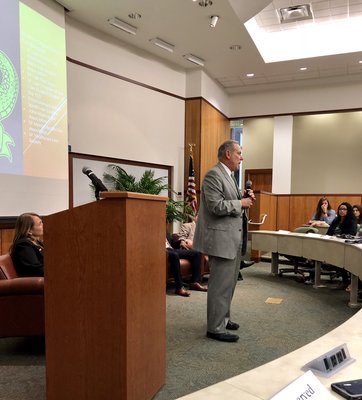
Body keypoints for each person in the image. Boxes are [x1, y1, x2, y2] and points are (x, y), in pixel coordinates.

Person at [193, 139, 254, 342]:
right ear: (228, 154)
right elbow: (215, 206)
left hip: (232, 239)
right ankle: (215, 328)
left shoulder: (228, 176)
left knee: (229, 285)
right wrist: (241, 202)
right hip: (221, 241)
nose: (241, 157)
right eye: (239, 153)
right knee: (219, 286)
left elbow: (230, 202)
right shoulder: (213, 174)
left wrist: (242, 198)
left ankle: (224, 319)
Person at [9, 213, 44, 277]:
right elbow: (36, 270)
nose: (43, 225)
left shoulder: (38, 242)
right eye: (40, 224)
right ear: (29, 230)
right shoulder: (23, 245)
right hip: (35, 283)